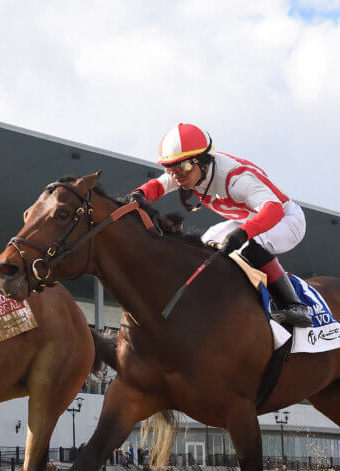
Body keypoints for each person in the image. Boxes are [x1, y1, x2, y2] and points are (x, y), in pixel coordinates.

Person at [127, 123, 311, 328]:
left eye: (183, 167)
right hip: (250, 217)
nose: (176, 175)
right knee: (204, 243)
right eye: (170, 168)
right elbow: (159, 185)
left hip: (285, 218)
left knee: (251, 244)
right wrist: (139, 195)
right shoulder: (188, 170)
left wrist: (244, 233)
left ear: (203, 162)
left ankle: (295, 306)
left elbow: (273, 210)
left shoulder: (236, 178)